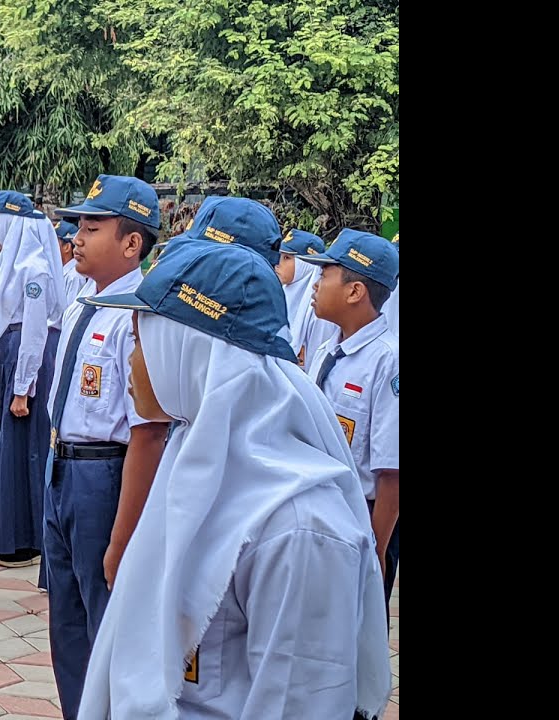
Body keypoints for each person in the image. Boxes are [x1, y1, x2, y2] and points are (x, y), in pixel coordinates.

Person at [77, 240, 392, 720]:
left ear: (188, 353)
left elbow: (297, 703)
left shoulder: (300, 529)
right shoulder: (191, 460)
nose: (133, 363)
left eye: (141, 343)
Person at [45, 175, 171, 718]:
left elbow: (148, 431)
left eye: (92, 228)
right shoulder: (84, 302)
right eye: (78, 225)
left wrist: (122, 538)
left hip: (105, 476)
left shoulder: (138, 317)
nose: (76, 237)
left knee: (106, 623)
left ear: (131, 243)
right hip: (62, 468)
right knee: (67, 622)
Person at [302, 230, 401, 607]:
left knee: (358, 625)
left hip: (363, 518)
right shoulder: (327, 352)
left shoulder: (387, 360)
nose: (314, 285)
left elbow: (391, 469)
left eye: (324, 274)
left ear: (355, 291)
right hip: (320, 511)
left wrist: (376, 548)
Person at [0, 191, 65, 567]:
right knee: (3, 449)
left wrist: (22, 389)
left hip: (23, 361)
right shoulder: (9, 265)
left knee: (22, 449)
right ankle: (5, 534)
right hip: (8, 356)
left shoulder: (34, 269)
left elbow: (34, 332)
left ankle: (25, 539)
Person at [274, 229, 328, 368]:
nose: (278, 263)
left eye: (287, 258)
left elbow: (316, 361)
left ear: (304, 264)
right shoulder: (279, 293)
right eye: (280, 256)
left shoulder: (320, 308)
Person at [55, 219, 85, 306]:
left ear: (67, 247)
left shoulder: (74, 276)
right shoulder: (61, 271)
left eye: (54, 241)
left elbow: (68, 309)